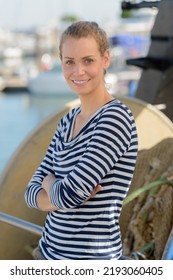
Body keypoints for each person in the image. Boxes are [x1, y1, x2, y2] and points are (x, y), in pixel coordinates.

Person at [25, 21, 138, 260]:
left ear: (105, 59)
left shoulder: (114, 118)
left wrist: (50, 184)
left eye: (88, 60)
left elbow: (70, 196)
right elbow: (30, 192)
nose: (78, 71)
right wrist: (55, 185)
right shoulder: (68, 120)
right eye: (70, 62)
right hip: (47, 254)